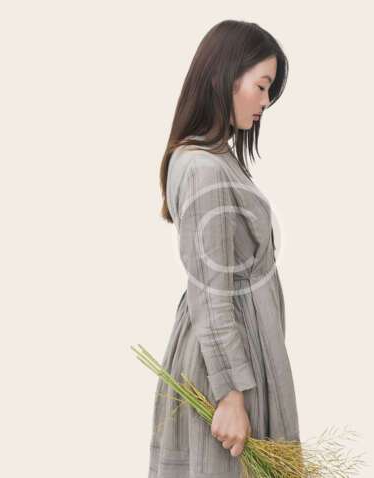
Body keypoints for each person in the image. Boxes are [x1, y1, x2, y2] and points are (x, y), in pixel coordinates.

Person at [150, 19, 300, 477]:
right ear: (226, 77)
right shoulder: (203, 169)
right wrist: (230, 395)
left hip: (239, 353)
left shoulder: (214, 158)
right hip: (224, 365)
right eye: (261, 86)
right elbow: (211, 290)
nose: (266, 101)